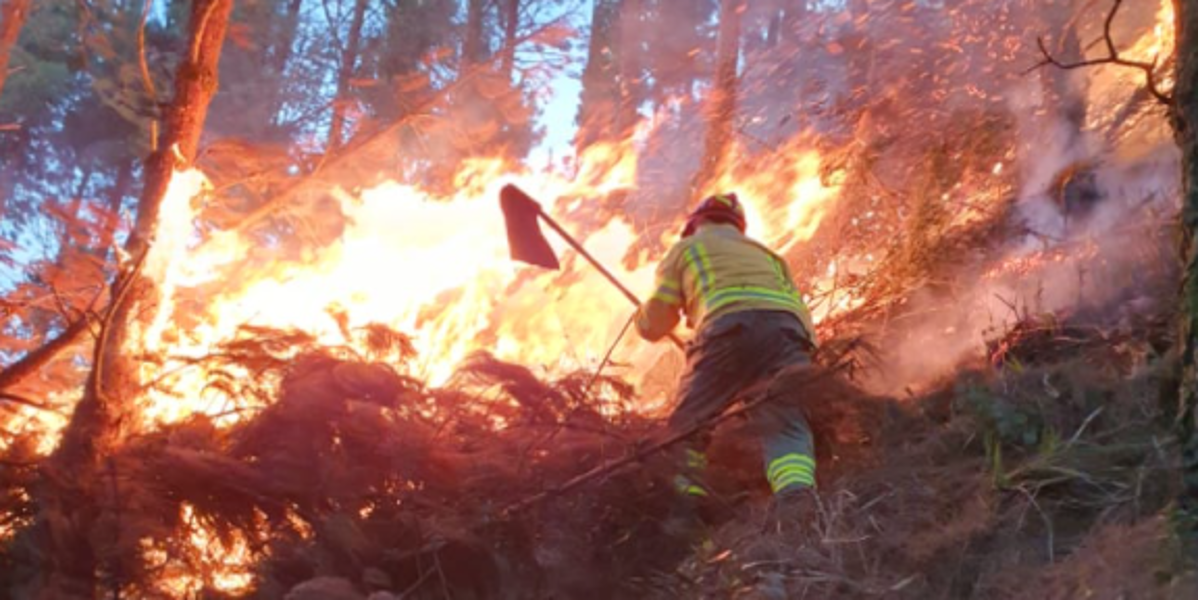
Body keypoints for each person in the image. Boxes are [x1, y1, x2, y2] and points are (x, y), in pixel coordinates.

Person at [635, 192, 820, 526]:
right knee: (785, 419)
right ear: (739, 226)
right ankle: (797, 501)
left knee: (687, 428)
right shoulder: (770, 255)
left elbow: (657, 322)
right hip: (787, 333)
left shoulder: (685, 250)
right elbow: (801, 312)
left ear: (695, 223)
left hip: (727, 329)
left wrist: (642, 320)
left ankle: (686, 511)